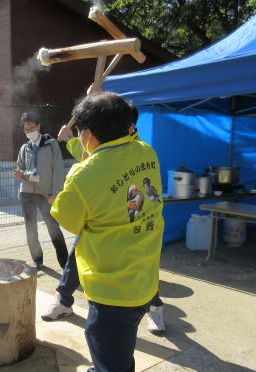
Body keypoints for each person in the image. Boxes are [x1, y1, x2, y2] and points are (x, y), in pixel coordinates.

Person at [50, 92, 163, 372]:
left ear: (87, 135)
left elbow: (67, 218)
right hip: (144, 280)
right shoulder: (145, 151)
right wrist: (85, 126)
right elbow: (103, 152)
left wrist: (74, 161)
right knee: (114, 349)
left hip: (112, 292)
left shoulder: (82, 178)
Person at [42, 106, 166, 334]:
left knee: (108, 348)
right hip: (115, 223)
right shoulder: (145, 150)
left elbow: (95, 161)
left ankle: (155, 306)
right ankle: (64, 298)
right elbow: (97, 156)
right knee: (77, 257)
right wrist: (72, 139)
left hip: (114, 274)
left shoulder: (92, 168)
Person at [14, 112, 68, 269]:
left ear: (39, 126)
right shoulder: (24, 148)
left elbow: (58, 171)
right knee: (31, 228)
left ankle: (65, 264)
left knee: (53, 228)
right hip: (27, 193)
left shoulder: (51, 145)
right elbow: (20, 167)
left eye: (32, 127)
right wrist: (19, 174)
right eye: (26, 129)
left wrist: (55, 195)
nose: (30, 131)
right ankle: (37, 260)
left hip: (47, 195)